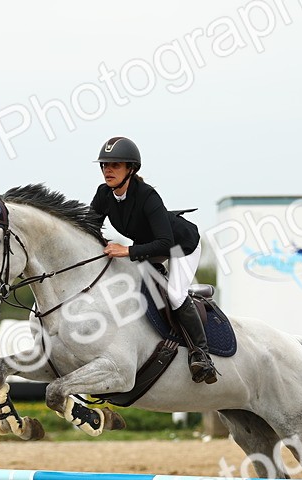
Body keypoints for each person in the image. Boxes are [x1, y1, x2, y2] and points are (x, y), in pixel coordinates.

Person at [89, 136, 218, 384]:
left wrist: (126, 251)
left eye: (115, 165)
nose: (108, 170)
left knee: (176, 295)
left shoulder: (147, 196)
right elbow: (90, 226)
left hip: (181, 246)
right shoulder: (104, 194)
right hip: (148, 247)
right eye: (105, 165)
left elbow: (164, 243)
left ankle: (201, 354)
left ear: (131, 169)